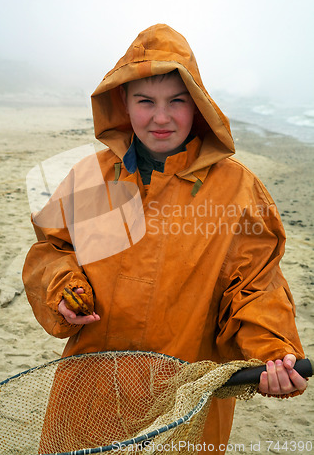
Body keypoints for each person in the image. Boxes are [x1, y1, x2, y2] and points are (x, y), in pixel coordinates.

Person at [23, 24, 307, 454]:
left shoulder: (238, 191)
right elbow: (52, 250)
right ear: (123, 102)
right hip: (89, 393)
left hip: (183, 402)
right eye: (145, 101)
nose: (161, 117)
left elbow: (255, 287)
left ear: (197, 105)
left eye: (176, 101)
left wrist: (273, 349)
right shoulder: (89, 178)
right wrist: (61, 288)